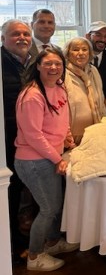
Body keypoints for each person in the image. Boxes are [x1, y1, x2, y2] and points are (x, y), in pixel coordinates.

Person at [15, 48, 79, 271]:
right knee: (48, 209)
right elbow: (33, 135)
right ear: (38, 66)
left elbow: (62, 119)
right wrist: (57, 159)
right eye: (48, 64)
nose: (54, 68)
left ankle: (52, 242)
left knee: (56, 205)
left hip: (51, 156)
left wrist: (68, 138)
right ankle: (34, 256)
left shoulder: (59, 87)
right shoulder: (31, 95)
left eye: (58, 64)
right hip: (33, 161)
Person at [1, 19, 33, 263]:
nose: (22, 38)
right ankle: (9, 248)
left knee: (24, 191)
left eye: (25, 34)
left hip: (29, 139)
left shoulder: (33, 63)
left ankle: (23, 241)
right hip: (6, 139)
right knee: (9, 193)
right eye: (15, 34)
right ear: (3, 38)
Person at [62, 37, 106, 144]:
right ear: (67, 53)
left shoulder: (93, 70)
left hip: (96, 130)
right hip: (72, 136)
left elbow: (101, 99)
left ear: (89, 53)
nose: (81, 53)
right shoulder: (62, 74)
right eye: (75, 49)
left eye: (84, 49)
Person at [85, 21, 106, 113]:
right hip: (83, 112)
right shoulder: (80, 59)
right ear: (88, 36)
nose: (103, 40)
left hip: (104, 112)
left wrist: (102, 108)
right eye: (98, 35)